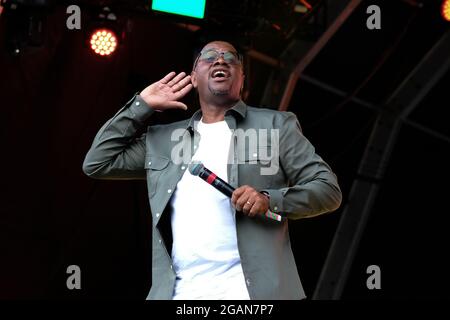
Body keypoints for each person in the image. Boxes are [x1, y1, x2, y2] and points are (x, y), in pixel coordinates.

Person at [82, 40, 342, 300]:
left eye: (231, 58)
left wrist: (268, 199)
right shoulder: (164, 140)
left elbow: (328, 190)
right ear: (194, 78)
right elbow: (98, 163)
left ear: (242, 79)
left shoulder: (275, 126)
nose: (220, 60)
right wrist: (142, 105)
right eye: (209, 56)